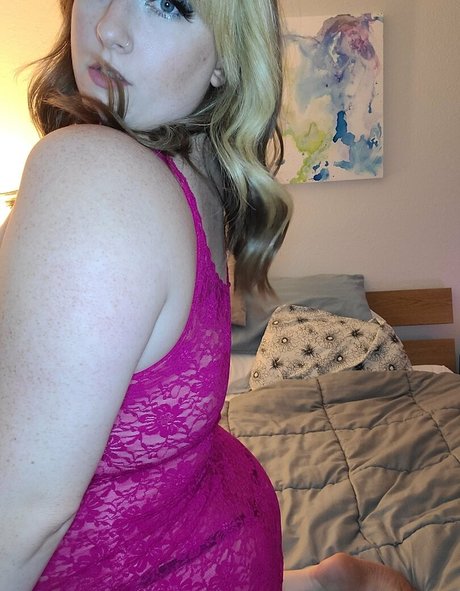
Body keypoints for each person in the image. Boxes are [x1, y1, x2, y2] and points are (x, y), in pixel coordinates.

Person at [0, 1, 417, 590]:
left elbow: (22, 519)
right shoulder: (196, 178)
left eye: (169, 3)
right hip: (208, 541)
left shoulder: (93, 173)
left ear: (226, 57)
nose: (108, 27)